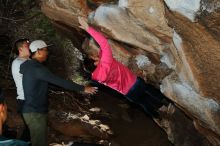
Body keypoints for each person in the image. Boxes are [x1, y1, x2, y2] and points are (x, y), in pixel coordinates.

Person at [78, 17, 170, 118]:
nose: (95, 55)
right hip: (134, 82)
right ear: (95, 63)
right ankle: (165, 104)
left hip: (127, 92)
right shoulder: (106, 61)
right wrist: (88, 28)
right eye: (94, 57)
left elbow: (102, 56)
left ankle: (157, 116)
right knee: (149, 91)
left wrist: (99, 57)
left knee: (143, 103)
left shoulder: (96, 77)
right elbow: (103, 43)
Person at [20, 40, 98, 146]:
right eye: (45, 50)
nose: (47, 52)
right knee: (38, 143)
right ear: (38, 51)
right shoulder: (37, 69)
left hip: (31, 110)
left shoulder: (29, 66)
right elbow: (59, 81)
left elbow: (45, 83)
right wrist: (83, 88)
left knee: (36, 140)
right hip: (35, 112)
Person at [11, 38, 31, 141]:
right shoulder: (18, 62)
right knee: (30, 129)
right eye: (27, 46)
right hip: (25, 100)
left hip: (31, 100)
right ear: (20, 49)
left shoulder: (29, 61)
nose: (29, 47)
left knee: (31, 129)